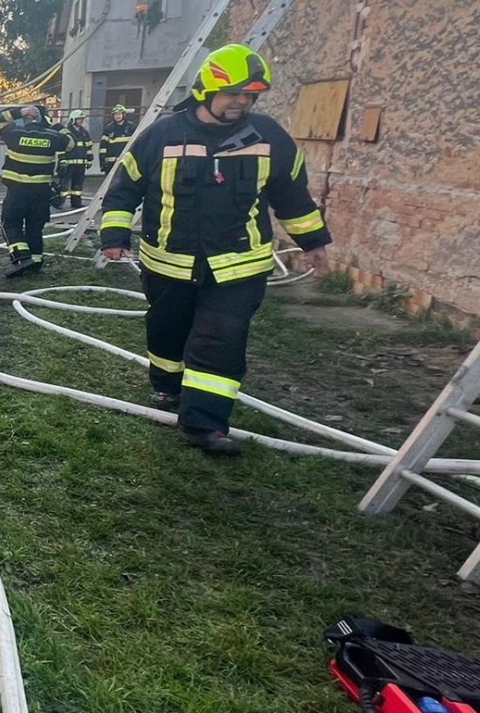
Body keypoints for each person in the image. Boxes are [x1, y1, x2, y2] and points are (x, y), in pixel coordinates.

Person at [99, 44, 331, 456]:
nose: (241, 102)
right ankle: (168, 386)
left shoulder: (268, 138)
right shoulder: (162, 136)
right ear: (207, 89)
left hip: (239, 265)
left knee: (221, 338)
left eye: (249, 96)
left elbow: (291, 195)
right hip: (168, 261)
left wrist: (313, 241)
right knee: (167, 330)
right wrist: (114, 238)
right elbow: (124, 190)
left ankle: (204, 423)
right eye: (234, 94)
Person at [0, 103, 72, 278]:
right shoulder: (52, 137)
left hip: (17, 191)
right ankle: (36, 261)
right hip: (41, 192)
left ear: (25, 120)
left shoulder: (13, 134)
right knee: (35, 227)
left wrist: (19, 112)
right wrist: (52, 124)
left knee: (10, 223)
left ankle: (22, 257)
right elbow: (71, 142)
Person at [61, 109, 93, 209]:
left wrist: (89, 159)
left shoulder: (84, 132)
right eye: (79, 119)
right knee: (64, 185)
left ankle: (76, 203)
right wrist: (62, 159)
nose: (81, 121)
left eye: (82, 119)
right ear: (73, 119)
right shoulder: (66, 132)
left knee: (78, 185)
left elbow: (88, 147)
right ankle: (60, 202)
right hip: (68, 163)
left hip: (81, 163)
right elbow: (61, 147)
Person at [100, 104, 136, 173]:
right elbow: (103, 147)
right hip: (112, 163)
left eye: (119, 114)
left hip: (127, 162)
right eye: (115, 114)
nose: (117, 116)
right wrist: (102, 161)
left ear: (124, 115)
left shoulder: (132, 127)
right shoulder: (109, 129)